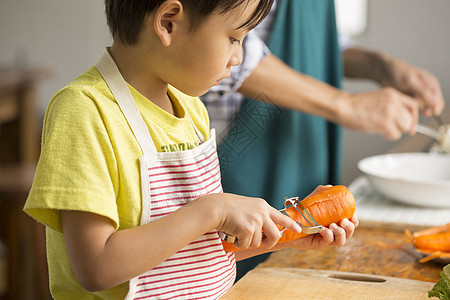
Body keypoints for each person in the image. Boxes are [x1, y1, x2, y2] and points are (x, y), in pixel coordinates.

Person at [23, 0, 358, 299]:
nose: (239, 58)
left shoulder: (191, 109)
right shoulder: (84, 111)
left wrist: (289, 230)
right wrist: (211, 210)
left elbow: (199, 251)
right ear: (168, 22)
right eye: (233, 38)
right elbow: (96, 268)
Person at [201, 0, 445, 280]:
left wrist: (381, 67)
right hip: (242, 143)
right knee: (218, 259)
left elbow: (321, 43)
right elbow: (228, 50)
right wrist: (345, 104)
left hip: (302, 143)